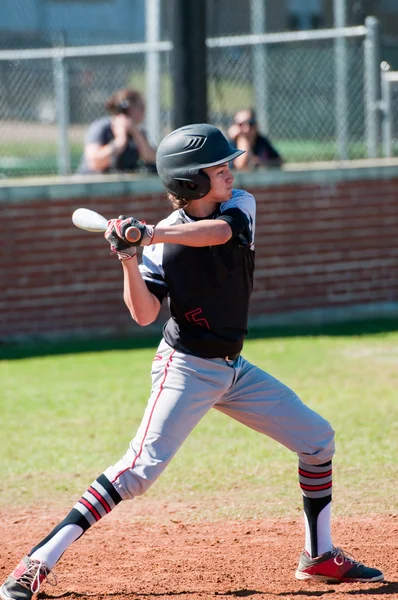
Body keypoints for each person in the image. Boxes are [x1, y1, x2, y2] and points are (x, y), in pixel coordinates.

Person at [0, 123, 384, 600]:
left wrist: (150, 230)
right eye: (217, 167)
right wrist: (128, 255)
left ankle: (319, 555)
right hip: (185, 368)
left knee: (317, 439)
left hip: (232, 369)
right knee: (138, 471)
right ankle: (35, 562)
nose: (229, 171)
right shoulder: (157, 248)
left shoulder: (239, 205)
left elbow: (218, 234)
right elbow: (143, 314)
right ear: (189, 181)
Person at [76, 88, 156, 175]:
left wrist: (136, 133)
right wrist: (120, 140)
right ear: (129, 109)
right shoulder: (102, 127)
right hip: (92, 183)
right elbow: (94, 162)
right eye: (140, 107)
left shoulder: (139, 132)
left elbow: (152, 158)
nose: (143, 112)